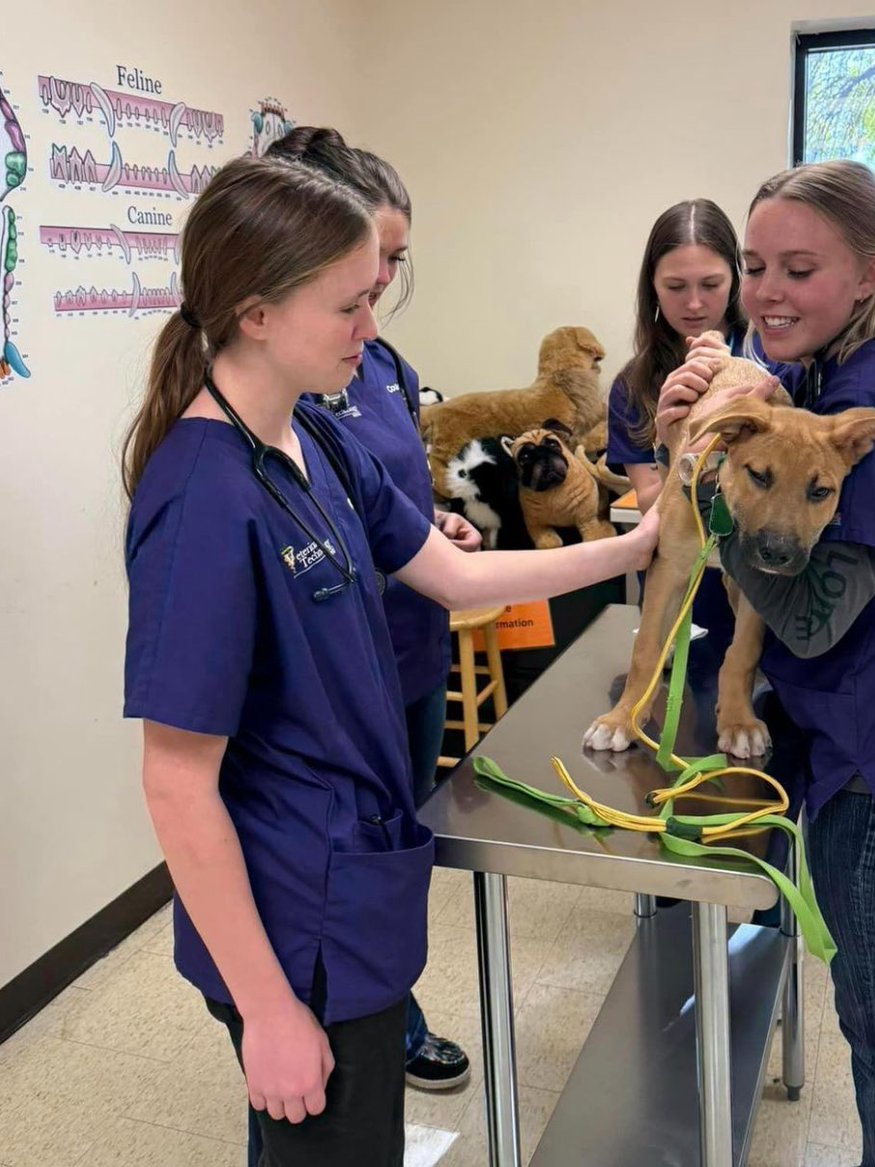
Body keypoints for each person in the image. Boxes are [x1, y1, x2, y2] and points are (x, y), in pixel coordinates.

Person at [122, 154, 658, 1167]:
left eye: (375, 297)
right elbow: (176, 781)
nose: (372, 332)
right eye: (349, 306)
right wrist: (270, 1011)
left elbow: (453, 581)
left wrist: (632, 548)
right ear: (255, 314)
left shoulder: (313, 443)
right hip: (291, 919)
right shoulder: (202, 501)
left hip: (350, 882)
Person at [656, 160, 875, 1167]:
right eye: (755, 265)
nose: (765, 292)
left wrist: (717, 485)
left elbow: (808, 618)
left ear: (868, 273)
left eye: (799, 269)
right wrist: (707, 416)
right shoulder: (837, 375)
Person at [264, 127, 473, 1104]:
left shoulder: (378, 366)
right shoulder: (281, 398)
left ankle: (392, 1010)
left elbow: (384, 497)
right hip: (338, 676)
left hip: (414, 647)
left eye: (394, 262)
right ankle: (342, 1021)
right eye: (369, 263)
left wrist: (433, 524)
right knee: (339, 873)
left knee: (400, 852)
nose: (381, 286)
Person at [606, 199, 757, 739]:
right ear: (651, 286)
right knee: (676, 740)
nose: (694, 304)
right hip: (683, 596)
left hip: (759, 592)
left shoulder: (772, 366)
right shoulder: (634, 387)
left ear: (737, 279)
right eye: (675, 287)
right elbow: (653, 505)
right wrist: (676, 446)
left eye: (712, 284)